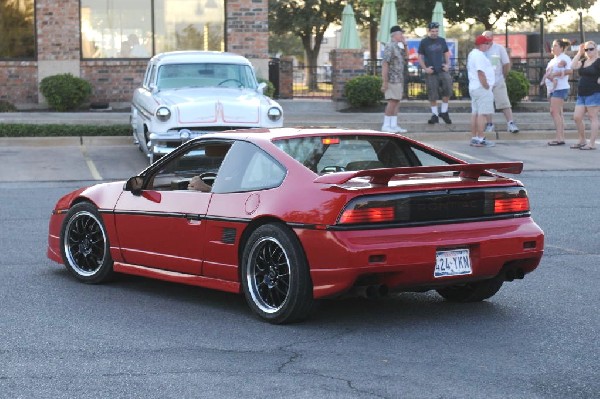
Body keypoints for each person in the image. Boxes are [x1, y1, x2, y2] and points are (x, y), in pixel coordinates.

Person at [481, 30, 520, 134]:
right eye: (485, 37)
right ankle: (489, 124)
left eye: (489, 37)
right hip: (485, 82)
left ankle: (510, 123)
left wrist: (503, 76)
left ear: (492, 38)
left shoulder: (499, 48)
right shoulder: (480, 49)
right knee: (486, 104)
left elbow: (506, 63)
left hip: (498, 80)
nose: (487, 39)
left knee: (504, 102)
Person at [418, 21, 453, 125]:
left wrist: (448, 64)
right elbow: (420, 57)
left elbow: (446, 53)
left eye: (436, 31)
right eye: (433, 31)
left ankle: (444, 112)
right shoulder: (424, 42)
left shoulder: (442, 40)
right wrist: (425, 68)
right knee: (432, 94)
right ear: (429, 31)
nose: (434, 33)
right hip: (431, 71)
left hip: (442, 69)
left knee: (448, 89)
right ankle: (435, 115)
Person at [570, 41, 600, 150]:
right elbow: (572, 66)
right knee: (577, 117)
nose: (589, 51)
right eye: (587, 49)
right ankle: (582, 140)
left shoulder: (598, 61)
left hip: (594, 93)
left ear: (596, 49)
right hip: (582, 93)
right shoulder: (583, 61)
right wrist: (579, 53)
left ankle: (591, 143)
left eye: (591, 49)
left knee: (593, 117)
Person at [466, 35, 495, 147]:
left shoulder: (472, 54)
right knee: (482, 114)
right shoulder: (479, 56)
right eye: (487, 44)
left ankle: (474, 137)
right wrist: (486, 85)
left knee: (475, 113)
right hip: (481, 88)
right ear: (482, 44)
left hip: (474, 87)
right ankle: (481, 138)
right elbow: (480, 72)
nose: (488, 46)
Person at [544, 39, 573, 146]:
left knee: (554, 112)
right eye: (553, 45)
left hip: (560, 88)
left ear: (561, 48)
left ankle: (559, 138)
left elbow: (570, 71)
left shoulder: (565, 58)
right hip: (552, 88)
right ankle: (561, 137)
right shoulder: (553, 60)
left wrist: (556, 73)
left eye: (556, 46)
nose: (553, 48)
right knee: (557, 113)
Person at [380, 25, 408, 133]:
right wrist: (385, 81)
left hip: (399, 79)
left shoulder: (398, 47)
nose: (402, 36)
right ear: (395, 35)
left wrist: (405, 45)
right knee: (392, 101)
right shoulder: (389, 46)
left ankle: (393, 124)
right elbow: (385, 63)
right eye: (401, 34)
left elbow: (407, 56)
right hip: (392, 79)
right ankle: (386, 125)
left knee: (396, 101)